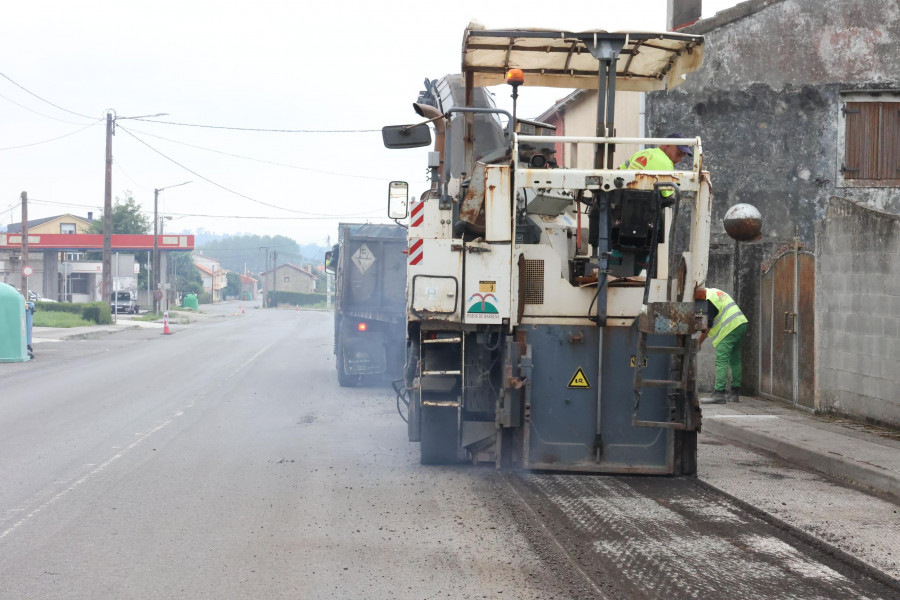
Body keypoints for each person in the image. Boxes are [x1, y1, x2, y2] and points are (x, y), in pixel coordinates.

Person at [698, 288, 748, 404]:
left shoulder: (708, 300)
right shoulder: (713, 292)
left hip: (729, 328)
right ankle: (734, 393)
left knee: (721, 360)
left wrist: (699, 342)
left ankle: (719, 393)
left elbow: (707, 327)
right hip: (741, 323)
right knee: (735, 359)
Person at [619, 132, 694, 171]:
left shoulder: (641, 153)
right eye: (678, 154)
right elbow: (669, 197)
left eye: (681, 157)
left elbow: (619, 170)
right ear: (667, 144)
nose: (679, 160)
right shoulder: (667, 164)